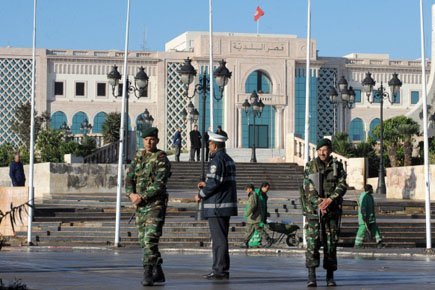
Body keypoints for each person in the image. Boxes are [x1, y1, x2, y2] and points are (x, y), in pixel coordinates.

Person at [125, 127, 172, 286]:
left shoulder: (161, 158)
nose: (148, 142)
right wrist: (131, 194)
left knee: (150, 238)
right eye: (146, 139)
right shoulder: (138, 156)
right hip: (139, 206)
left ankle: (147, 273)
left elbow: (160, 183)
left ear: (157, 141)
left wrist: (143, 196)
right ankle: (158, 271)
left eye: (152, 139)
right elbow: (129, 178)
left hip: (155, 205)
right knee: (143, 241)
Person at [300, 138, 347, 287]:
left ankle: (330, 276)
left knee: (330, 244)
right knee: (312, 244)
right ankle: (311, 275)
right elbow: (307, 186)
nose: (322, 152)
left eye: (325, 149)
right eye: (320, 150)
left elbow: (342, 184)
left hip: (331, 211)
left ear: (330, 151)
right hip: (314, 212)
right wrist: (319, 202)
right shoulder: (310, 166)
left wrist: (330, 200)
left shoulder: (337, 166)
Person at [195, 132, 237, 280]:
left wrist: (201, 193)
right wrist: (207, 184)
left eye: (209, 144)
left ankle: (219, 269)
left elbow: (214, 182)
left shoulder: (216, 160)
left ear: (214, 145)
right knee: (222, 238)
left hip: (217, 205)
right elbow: (221, 181)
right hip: (225, 205)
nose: (208, 147)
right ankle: (223, 269)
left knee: (218, 240)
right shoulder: (228, 159)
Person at [242, 183, 273, 248]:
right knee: (255, 229)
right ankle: (245, 242)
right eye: (267, 188)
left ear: (250, 189)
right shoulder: (255, 194)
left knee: (250, 229)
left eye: (247, 189)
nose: (246, 191)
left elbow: (253, 205)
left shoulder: (253, 194)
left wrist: (247, 213)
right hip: (256, 216)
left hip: (254, 216)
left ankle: (245, 242)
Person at [354, 184, 385, 249]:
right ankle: (357, 244)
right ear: (369, 189)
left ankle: (379, 242)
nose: (372, 190)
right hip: (364, 217)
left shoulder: (369, 196)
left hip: (371, 217)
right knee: (362, 230)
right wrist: (364, 216)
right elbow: (363, 207)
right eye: (372, 189)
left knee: (375, 229)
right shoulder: (364, 196)